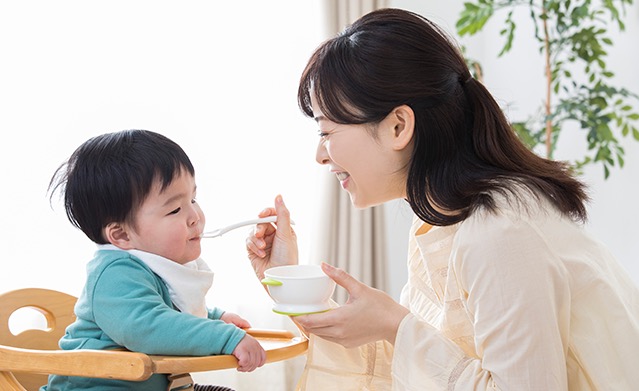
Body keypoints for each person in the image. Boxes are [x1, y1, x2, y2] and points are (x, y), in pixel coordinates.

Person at [245, 8, 639, 391]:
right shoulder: (441, 219)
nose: (321, 155)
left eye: (326, 132)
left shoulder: (500, 231)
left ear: (399, 125)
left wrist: (396, 325)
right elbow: (403, 369)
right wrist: (286, 283)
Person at [44, 129, 266, 391]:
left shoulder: (153, 266)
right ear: (121, 234)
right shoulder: (114, 273)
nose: (195, 215)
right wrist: (224, 337)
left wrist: (215, 317)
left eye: (193, 199)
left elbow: (170, 310)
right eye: (174, 209)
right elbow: (149, 325)